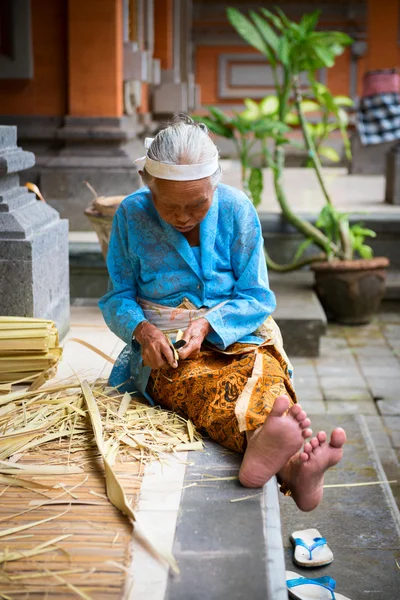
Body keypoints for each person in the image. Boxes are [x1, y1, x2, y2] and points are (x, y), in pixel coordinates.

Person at [99, 115, 346, 511]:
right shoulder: (131, 215)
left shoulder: (236, 209)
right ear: (149, 185)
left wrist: (210, 323)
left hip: (241, 336)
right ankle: (290, 466)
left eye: (197, 204)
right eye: (169, 206)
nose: (183, 217)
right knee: (198, 383)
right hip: (169, 349)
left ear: (214, 186)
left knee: (266, 381)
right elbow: (117, 297)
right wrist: (143, 333)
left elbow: (256, 296)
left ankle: (289, 464)